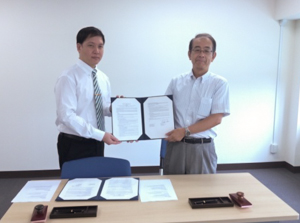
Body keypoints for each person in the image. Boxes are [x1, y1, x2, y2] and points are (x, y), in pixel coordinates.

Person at [55, 26, 121, 169]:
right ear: (79, 47)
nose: (96, 51)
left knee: (97, 183)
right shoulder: (68, 77)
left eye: (100, 46)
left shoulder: (103, 78)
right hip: (74, 144)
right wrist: (100, 135)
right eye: (91, 45)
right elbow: (66, 116)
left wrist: (117, 107)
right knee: (74, 188)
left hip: (97, 142)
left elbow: (102, 108)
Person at [164, 33, 230, 174]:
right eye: (197, 50)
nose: (201, 54)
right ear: (189, 54)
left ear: (213, 56)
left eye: (206, 50)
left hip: (202, 148)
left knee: (202, 192)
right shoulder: (176, 82)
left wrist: (185, 131)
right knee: (174, 189)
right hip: (176, 147)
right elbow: (162, 110)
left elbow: (216, 118)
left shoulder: (219, 83)